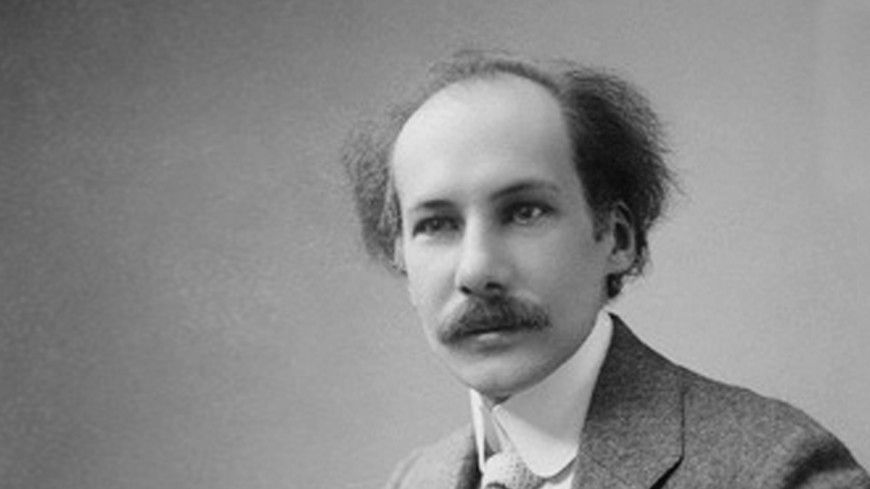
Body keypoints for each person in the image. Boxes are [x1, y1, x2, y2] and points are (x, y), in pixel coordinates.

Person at [342, 50, 870, 489]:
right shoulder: (415, 478)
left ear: (617, 238)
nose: (477, 270)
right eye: (436, 225)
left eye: (525, 212)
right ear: (401, 258)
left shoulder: (777, 470)